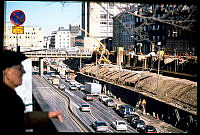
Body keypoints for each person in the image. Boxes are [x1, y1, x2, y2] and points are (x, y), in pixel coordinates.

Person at [2, 50, 63, 132]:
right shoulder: (7, 98)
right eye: (20, 68)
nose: (24, 71)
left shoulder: (10, 95)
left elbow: (18, 120)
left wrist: (47, 115)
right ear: (8, 72)